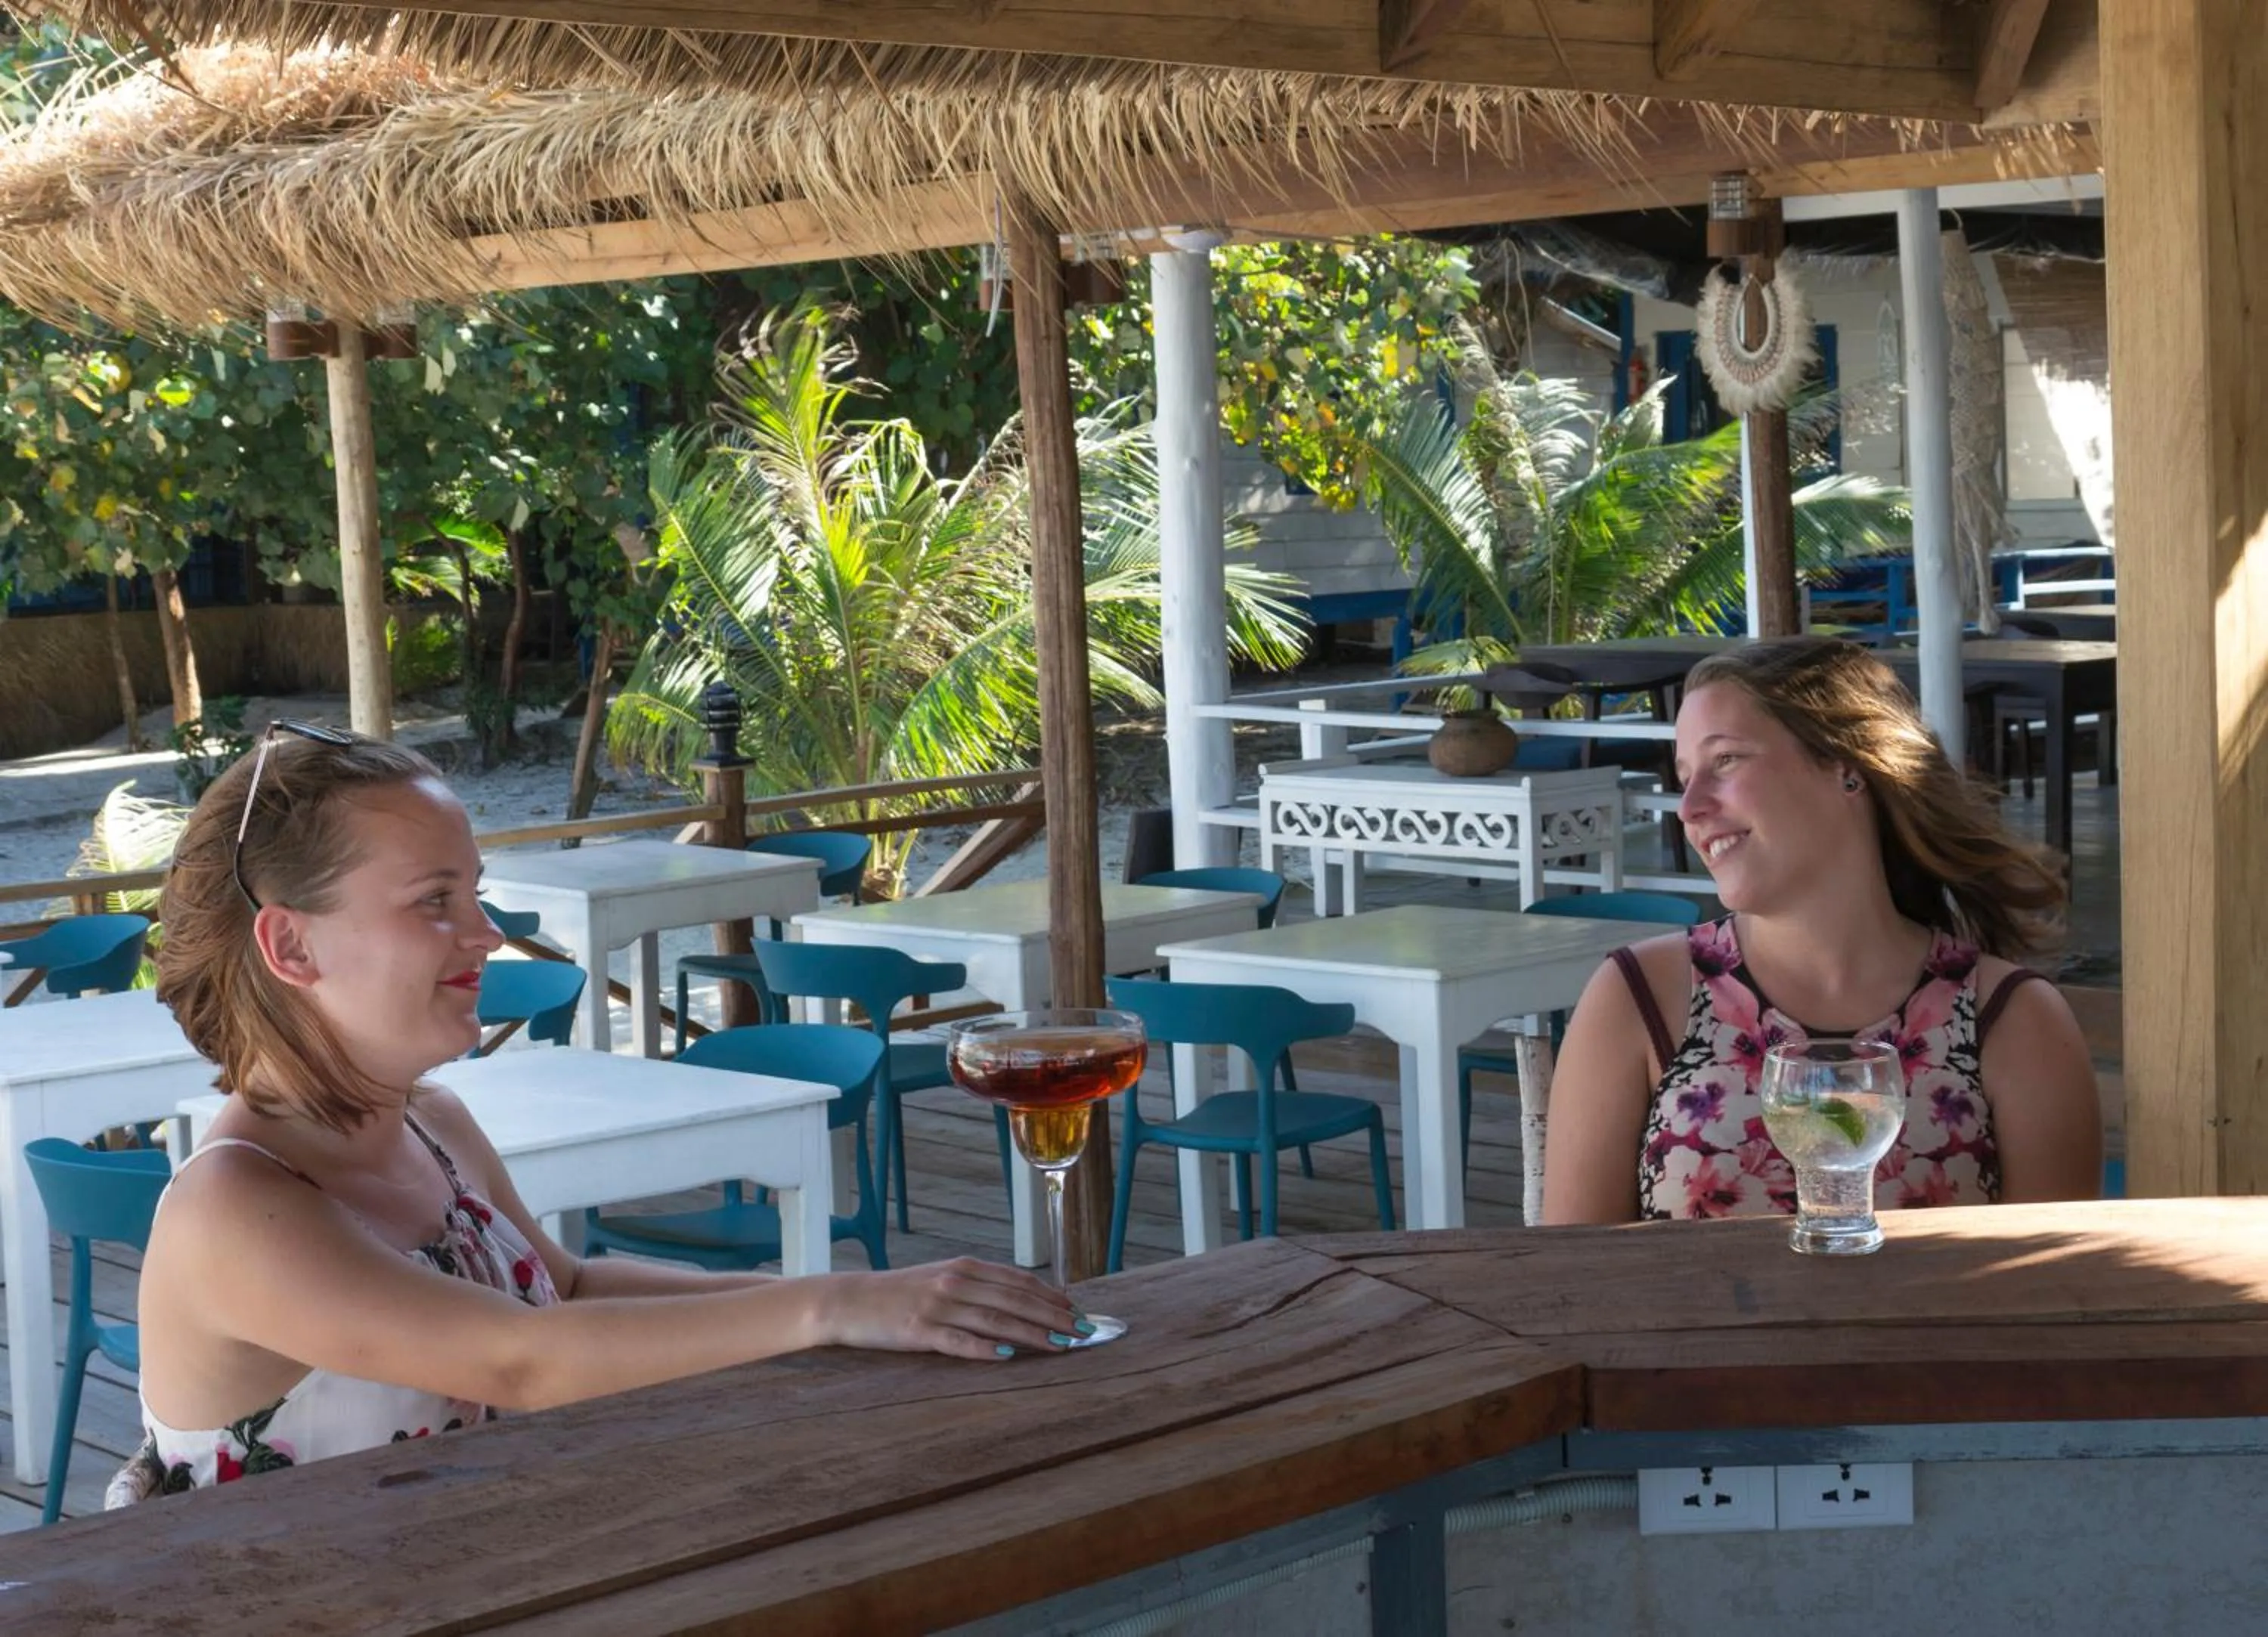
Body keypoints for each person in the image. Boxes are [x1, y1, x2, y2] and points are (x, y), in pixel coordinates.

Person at [127, 726, 1081, 1496]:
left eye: (476, 894)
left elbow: (567, 1291)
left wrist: (858, 1307)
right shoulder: (237, 1208)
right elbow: (518, 1361)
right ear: (290, 946)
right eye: (434, 901)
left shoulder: (432, 1123)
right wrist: (829, 1303)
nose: (485, 932)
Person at [1541, 635, 2102, 1225]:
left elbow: (2048, 1297)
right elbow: (1573, 1285)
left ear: (1847, 768)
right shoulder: (1638, 999)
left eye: (1726, 760)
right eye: (1684, 776)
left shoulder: (2012, 1019)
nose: (1689, 807)